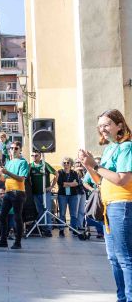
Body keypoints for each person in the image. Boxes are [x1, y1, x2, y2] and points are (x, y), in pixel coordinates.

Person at [78, 110, 132, 301]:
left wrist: (96, 165)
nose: (102, 129)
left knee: (125, 258)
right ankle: (122, 297)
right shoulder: (110, 149)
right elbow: (100, 182)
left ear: (119, 125)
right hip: (108, 206)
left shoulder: (127, 147)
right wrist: (88, 165)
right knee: (114, 258)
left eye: (107, 124)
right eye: (100, 126)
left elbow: (122, 180)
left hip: (122, 205)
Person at [0, 141, 28, 249]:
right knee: (2, 216)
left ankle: (18, 242)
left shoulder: (23, 162)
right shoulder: (9, 162)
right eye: (11, 148)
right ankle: (3, 241)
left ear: (20, 150)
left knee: (17, 217)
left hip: (18, 192)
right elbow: (3, 179)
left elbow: (21, 179)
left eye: (16, 148)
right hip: (8, 192)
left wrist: (6, 172)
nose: (13, 150)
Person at [29, 151, 56, 237]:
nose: (34, 157)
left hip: (45, 193)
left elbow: (56, 174)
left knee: (47, 211)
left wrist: (51, 187)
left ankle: (48, 229)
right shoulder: (30, 166)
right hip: (35, 193)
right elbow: (27, 177)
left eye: (36, 155)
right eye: (32, 155)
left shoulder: (45, 164)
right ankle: (41, 228)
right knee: (39, 211)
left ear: (40, 156)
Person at [56, 157, 83, 236]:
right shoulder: (60, 172)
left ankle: (74, 229)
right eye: (64, 163)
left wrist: (67, 184)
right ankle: (61, 230)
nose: (66, 164)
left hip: (73, 195)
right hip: (62, 195)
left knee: (73, 213)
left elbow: (77, 183)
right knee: (62, 213)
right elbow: (61, 183)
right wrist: (72, 183)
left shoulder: (74, 173)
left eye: (68, 162)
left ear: (71, 164)